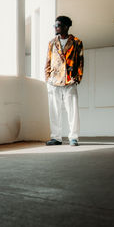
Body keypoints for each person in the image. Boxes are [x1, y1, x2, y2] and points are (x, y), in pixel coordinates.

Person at [45, 16, 84, 146]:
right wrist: (47, 77)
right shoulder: (52, 43)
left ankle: (74, 137)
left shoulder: (77, 42)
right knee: (54, 110)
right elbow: (48, 61)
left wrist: (77, 78)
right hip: (54, 81)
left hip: (69, 81)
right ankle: (56, 137)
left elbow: (80, 61)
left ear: (66, 27)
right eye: (55, 25)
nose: (56, 27)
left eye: (59, 25)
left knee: (72, 110)